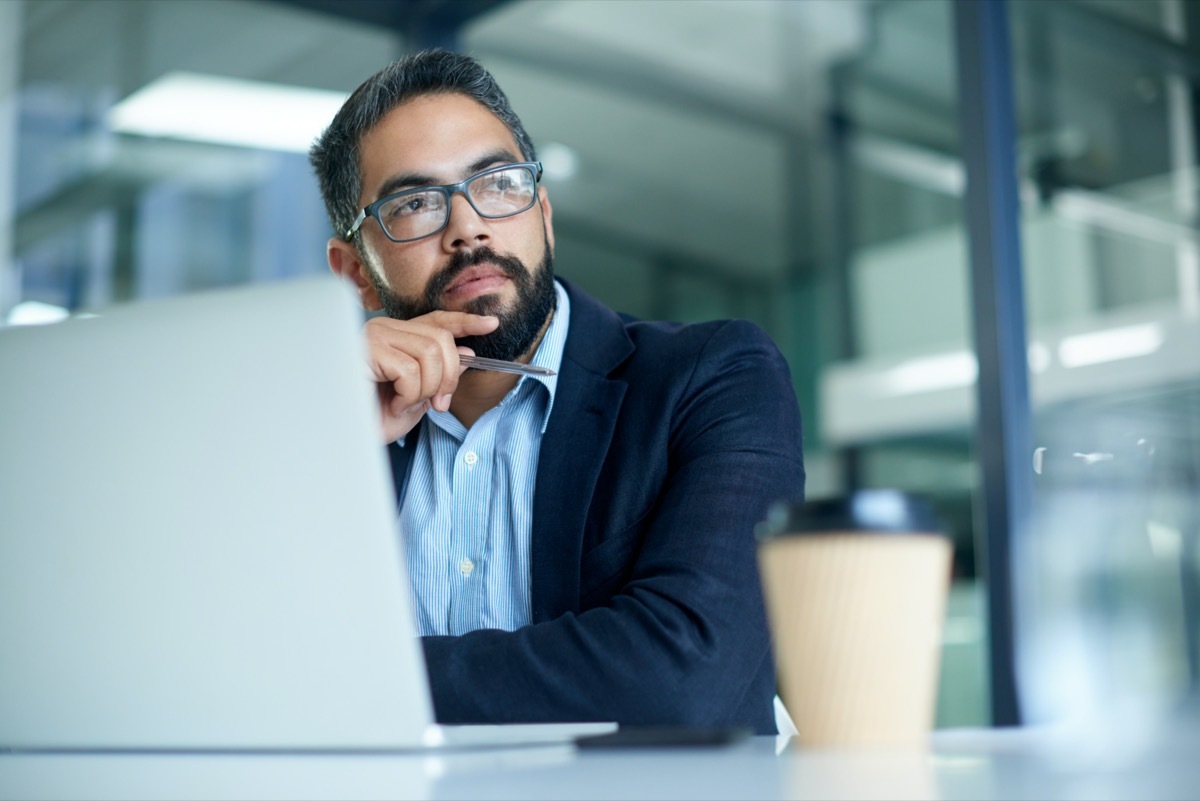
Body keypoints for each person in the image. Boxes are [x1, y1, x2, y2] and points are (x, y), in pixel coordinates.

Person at [309, 49, 805, 734]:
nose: (468, 228)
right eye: (415, 203)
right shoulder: (323, 431)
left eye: (500, 183)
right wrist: (326, 440)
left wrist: (348, 685)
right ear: (354, 272)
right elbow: (221, 669)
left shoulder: (713, 378)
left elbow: (683, 684)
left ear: (543, 212)